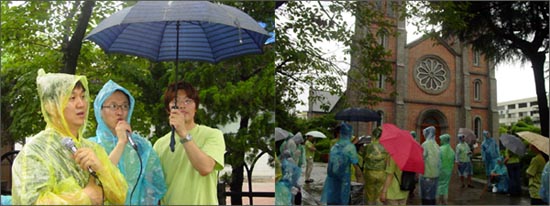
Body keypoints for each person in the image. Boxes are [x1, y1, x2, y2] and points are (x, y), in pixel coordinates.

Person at [12, 69, 127, 205]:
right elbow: (30, 201)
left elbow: (120, 196)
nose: (81, 104)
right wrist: (84, 197)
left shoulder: (93, 149)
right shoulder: (35, 152)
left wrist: (101, 168)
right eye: (72, 98)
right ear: (50, 106)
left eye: (83, 96)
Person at [88, 80, 166, 205]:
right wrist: (121, 143)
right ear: (100, 110)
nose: (120, 112)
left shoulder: (141, 146)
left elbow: (153, 187)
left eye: (124, 106)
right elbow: (98, 182)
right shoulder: (91, 147)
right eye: (113, 106)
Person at [152, 81, 226, 205]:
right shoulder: (159, 145)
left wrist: (183, 134)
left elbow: (205, 168)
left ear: (196, 107)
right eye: (176, 101)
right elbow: (153, 185)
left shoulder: (212, 135)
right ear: (167, 109)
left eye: (188, 101)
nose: (181, 106)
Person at [320, 122, 359, 205]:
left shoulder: (335, 145)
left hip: (334, 173)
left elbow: (330, 160)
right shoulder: (347, 145)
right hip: (343, 174)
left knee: (334, 194)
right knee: (343, 195)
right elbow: (354, 160)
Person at [363, 127, 388, 205]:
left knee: (369, 193)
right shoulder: (386, 146)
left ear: (373, 135)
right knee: (379, 194)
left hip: (370, 172)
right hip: (382, 172)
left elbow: (364, 157)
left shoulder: (368, 146)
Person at [420, 126, 440, 205]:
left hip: (426, 174)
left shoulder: (425, 144)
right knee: (433, 195)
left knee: (426, 196)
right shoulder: (437, 145)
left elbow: (421, 158)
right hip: (435, 174)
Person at [437, 133, 455, 205]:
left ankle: (438, 202)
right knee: (445, 186)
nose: (440, 141)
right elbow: (453, 160)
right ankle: (445, 201)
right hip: (448, 170)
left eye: (441, 139)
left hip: (440, 170)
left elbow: (437, 160)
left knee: (439, 185)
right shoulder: (452, 150)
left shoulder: (440, 149)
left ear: (444, 140)